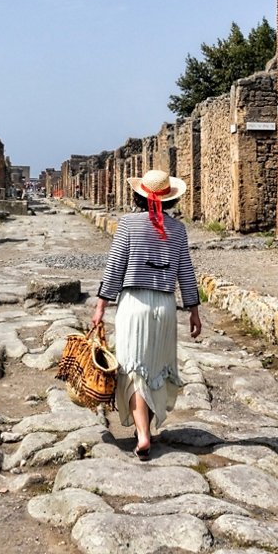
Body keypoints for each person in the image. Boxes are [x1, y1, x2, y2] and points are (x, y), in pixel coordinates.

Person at [91, 169, 202, 461]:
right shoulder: (178, 230)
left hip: (134, 305)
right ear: (168, 199)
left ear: (138, 196)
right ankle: (147, 431)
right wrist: (194, 310)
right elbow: (186, 273)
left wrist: (101, 304)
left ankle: (141, 435)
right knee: (154, 369)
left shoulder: (127, 225)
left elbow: (115, 267)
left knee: (133, 368)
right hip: (164, 306)